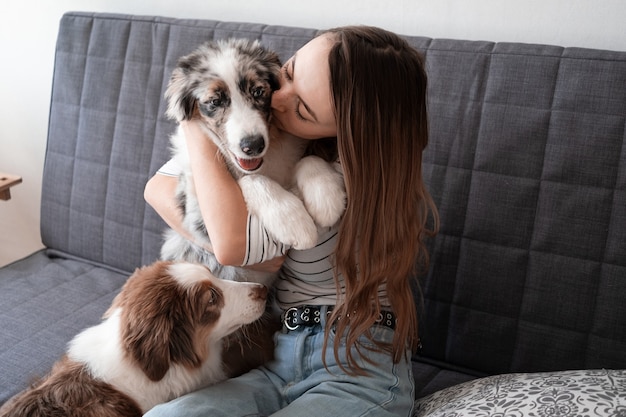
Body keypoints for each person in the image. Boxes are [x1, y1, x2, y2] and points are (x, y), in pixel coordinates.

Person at [144, 25, 438, 417]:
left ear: (347, 135)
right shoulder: (284, 134)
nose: (276, 99)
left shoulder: (349, 183)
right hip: (278, 358)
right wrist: (203, 103)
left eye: (302, 109)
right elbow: (157, 189)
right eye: (290, 72)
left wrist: (197, 112)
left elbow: (232, 244)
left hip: (357, 369)